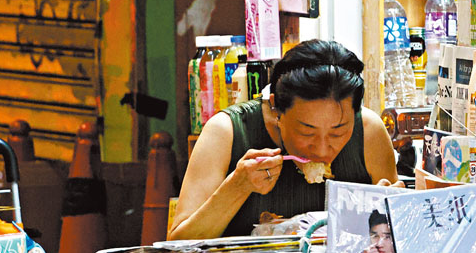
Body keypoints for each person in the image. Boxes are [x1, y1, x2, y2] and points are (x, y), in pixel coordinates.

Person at [169, 39, 400, 240]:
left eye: (338, 132)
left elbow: (399, 242)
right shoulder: (227, 131)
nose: (321, 149)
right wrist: (237, 187)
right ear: (276, 110)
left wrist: (387, 209)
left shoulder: (369, 131)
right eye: (307, 132)